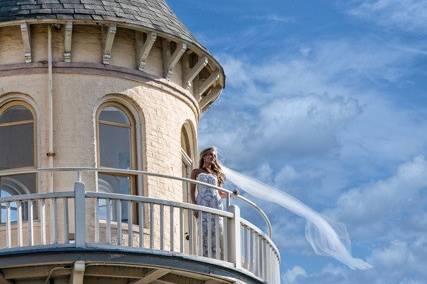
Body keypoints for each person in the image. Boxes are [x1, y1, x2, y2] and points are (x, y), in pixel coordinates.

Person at [190, 147, 227, 258]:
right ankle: (204, 257)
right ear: (204, 156)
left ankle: (217, 258)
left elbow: (219, 193)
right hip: (202, 204)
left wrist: (230, 195)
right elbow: (192, 191)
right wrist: (195, 206)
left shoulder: (216, 174)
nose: (213, 157)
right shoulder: (196, 172)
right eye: (210, 154)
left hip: (216, 205)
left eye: (214, 156)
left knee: (217, 232)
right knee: (203, 231)